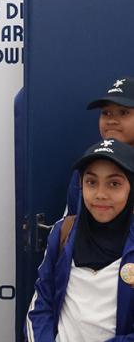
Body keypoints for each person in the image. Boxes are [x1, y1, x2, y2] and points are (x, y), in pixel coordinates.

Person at [26, 139, 134, 341]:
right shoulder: (63, 233)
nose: (100, 194)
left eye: (114, 184)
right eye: (91, 182)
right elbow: (41, 304)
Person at [66, 77, 134, 216]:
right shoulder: (87, 164)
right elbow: (71, 218)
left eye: (123, 112)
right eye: (106, 113)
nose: (111, 121)